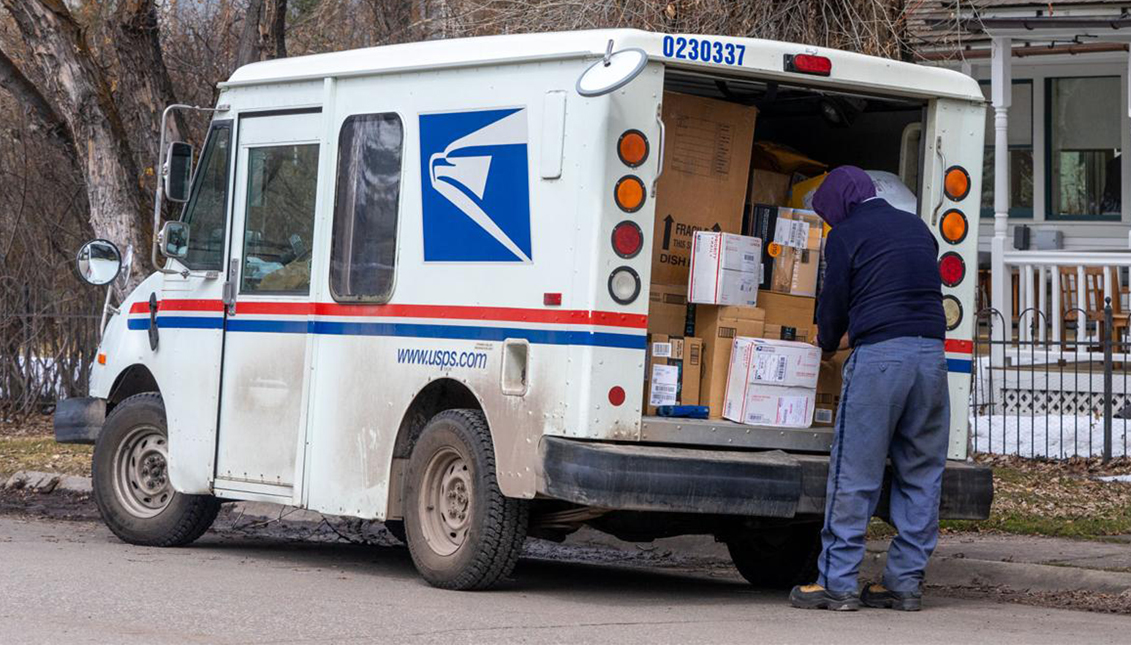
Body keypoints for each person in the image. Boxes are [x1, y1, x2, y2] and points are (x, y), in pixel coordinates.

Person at [788, 166, 949, 612]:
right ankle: (903, 584)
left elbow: (835, 299)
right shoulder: (916, 227)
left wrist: (823, 341)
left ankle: (836, 583)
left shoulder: (846, 235)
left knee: (855, 472)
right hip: (932, 358)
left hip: (881, 360)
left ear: (839, 204)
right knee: (921, 473)